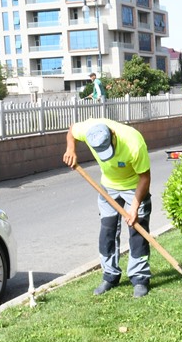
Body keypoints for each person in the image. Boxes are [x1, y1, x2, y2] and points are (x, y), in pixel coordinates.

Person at [63, 118, 153, 298]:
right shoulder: (89, 130)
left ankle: (140, 278)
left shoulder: (134, 143)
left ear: (113, 135)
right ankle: (110, 275)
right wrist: (70, 149)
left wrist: (134, 207)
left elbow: (145, 177)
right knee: (107, 230)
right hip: (108, 188)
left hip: (133, 186)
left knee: (138, 230)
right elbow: (72, 130)